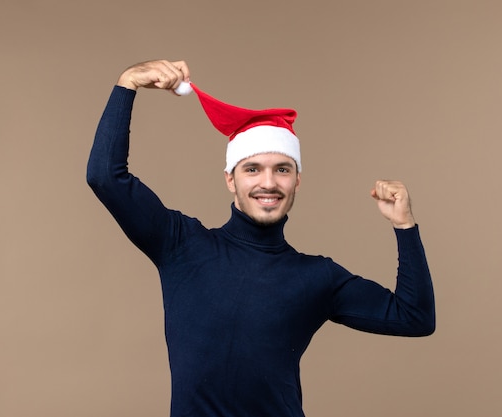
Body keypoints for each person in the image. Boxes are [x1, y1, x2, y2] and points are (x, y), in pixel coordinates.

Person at [87, 59, 435, 417]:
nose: (268, 183)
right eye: (252, 169)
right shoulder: (182, 245)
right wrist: (128, 82)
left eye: (282, 170)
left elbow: (415, 317)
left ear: (296, 181)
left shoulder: (317, 277)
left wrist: (404, 226)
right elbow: (105, 177)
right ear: (230, 179)